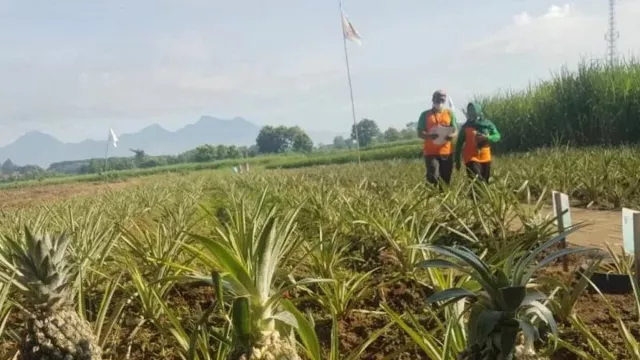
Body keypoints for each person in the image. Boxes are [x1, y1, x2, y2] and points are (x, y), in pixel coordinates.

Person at [417, 89, 458, 188]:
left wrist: (451, 136)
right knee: (433, 176)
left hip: (446, 151)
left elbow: (455, 130)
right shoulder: (425, 115)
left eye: (443, 99)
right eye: (438, 98)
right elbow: (419, 133)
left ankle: (443, 198)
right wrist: (430, 136)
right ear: (433, 99)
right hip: (431, 152)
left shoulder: (450, 113)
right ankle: (432, 197)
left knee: (446, 178)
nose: (440, 100)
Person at [454, 102, 501, 182]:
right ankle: (475, 194)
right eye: (469, 110)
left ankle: (477, 194)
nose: (471, 113)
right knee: (476, 180)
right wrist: (457, 160)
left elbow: (497, 136)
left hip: (485, 157)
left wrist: (488, 138)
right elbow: (459, 144)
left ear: (478, 111)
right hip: (471, 157)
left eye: (473, 110)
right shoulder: (466, 127)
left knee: (484, 182)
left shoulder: (488, 124)